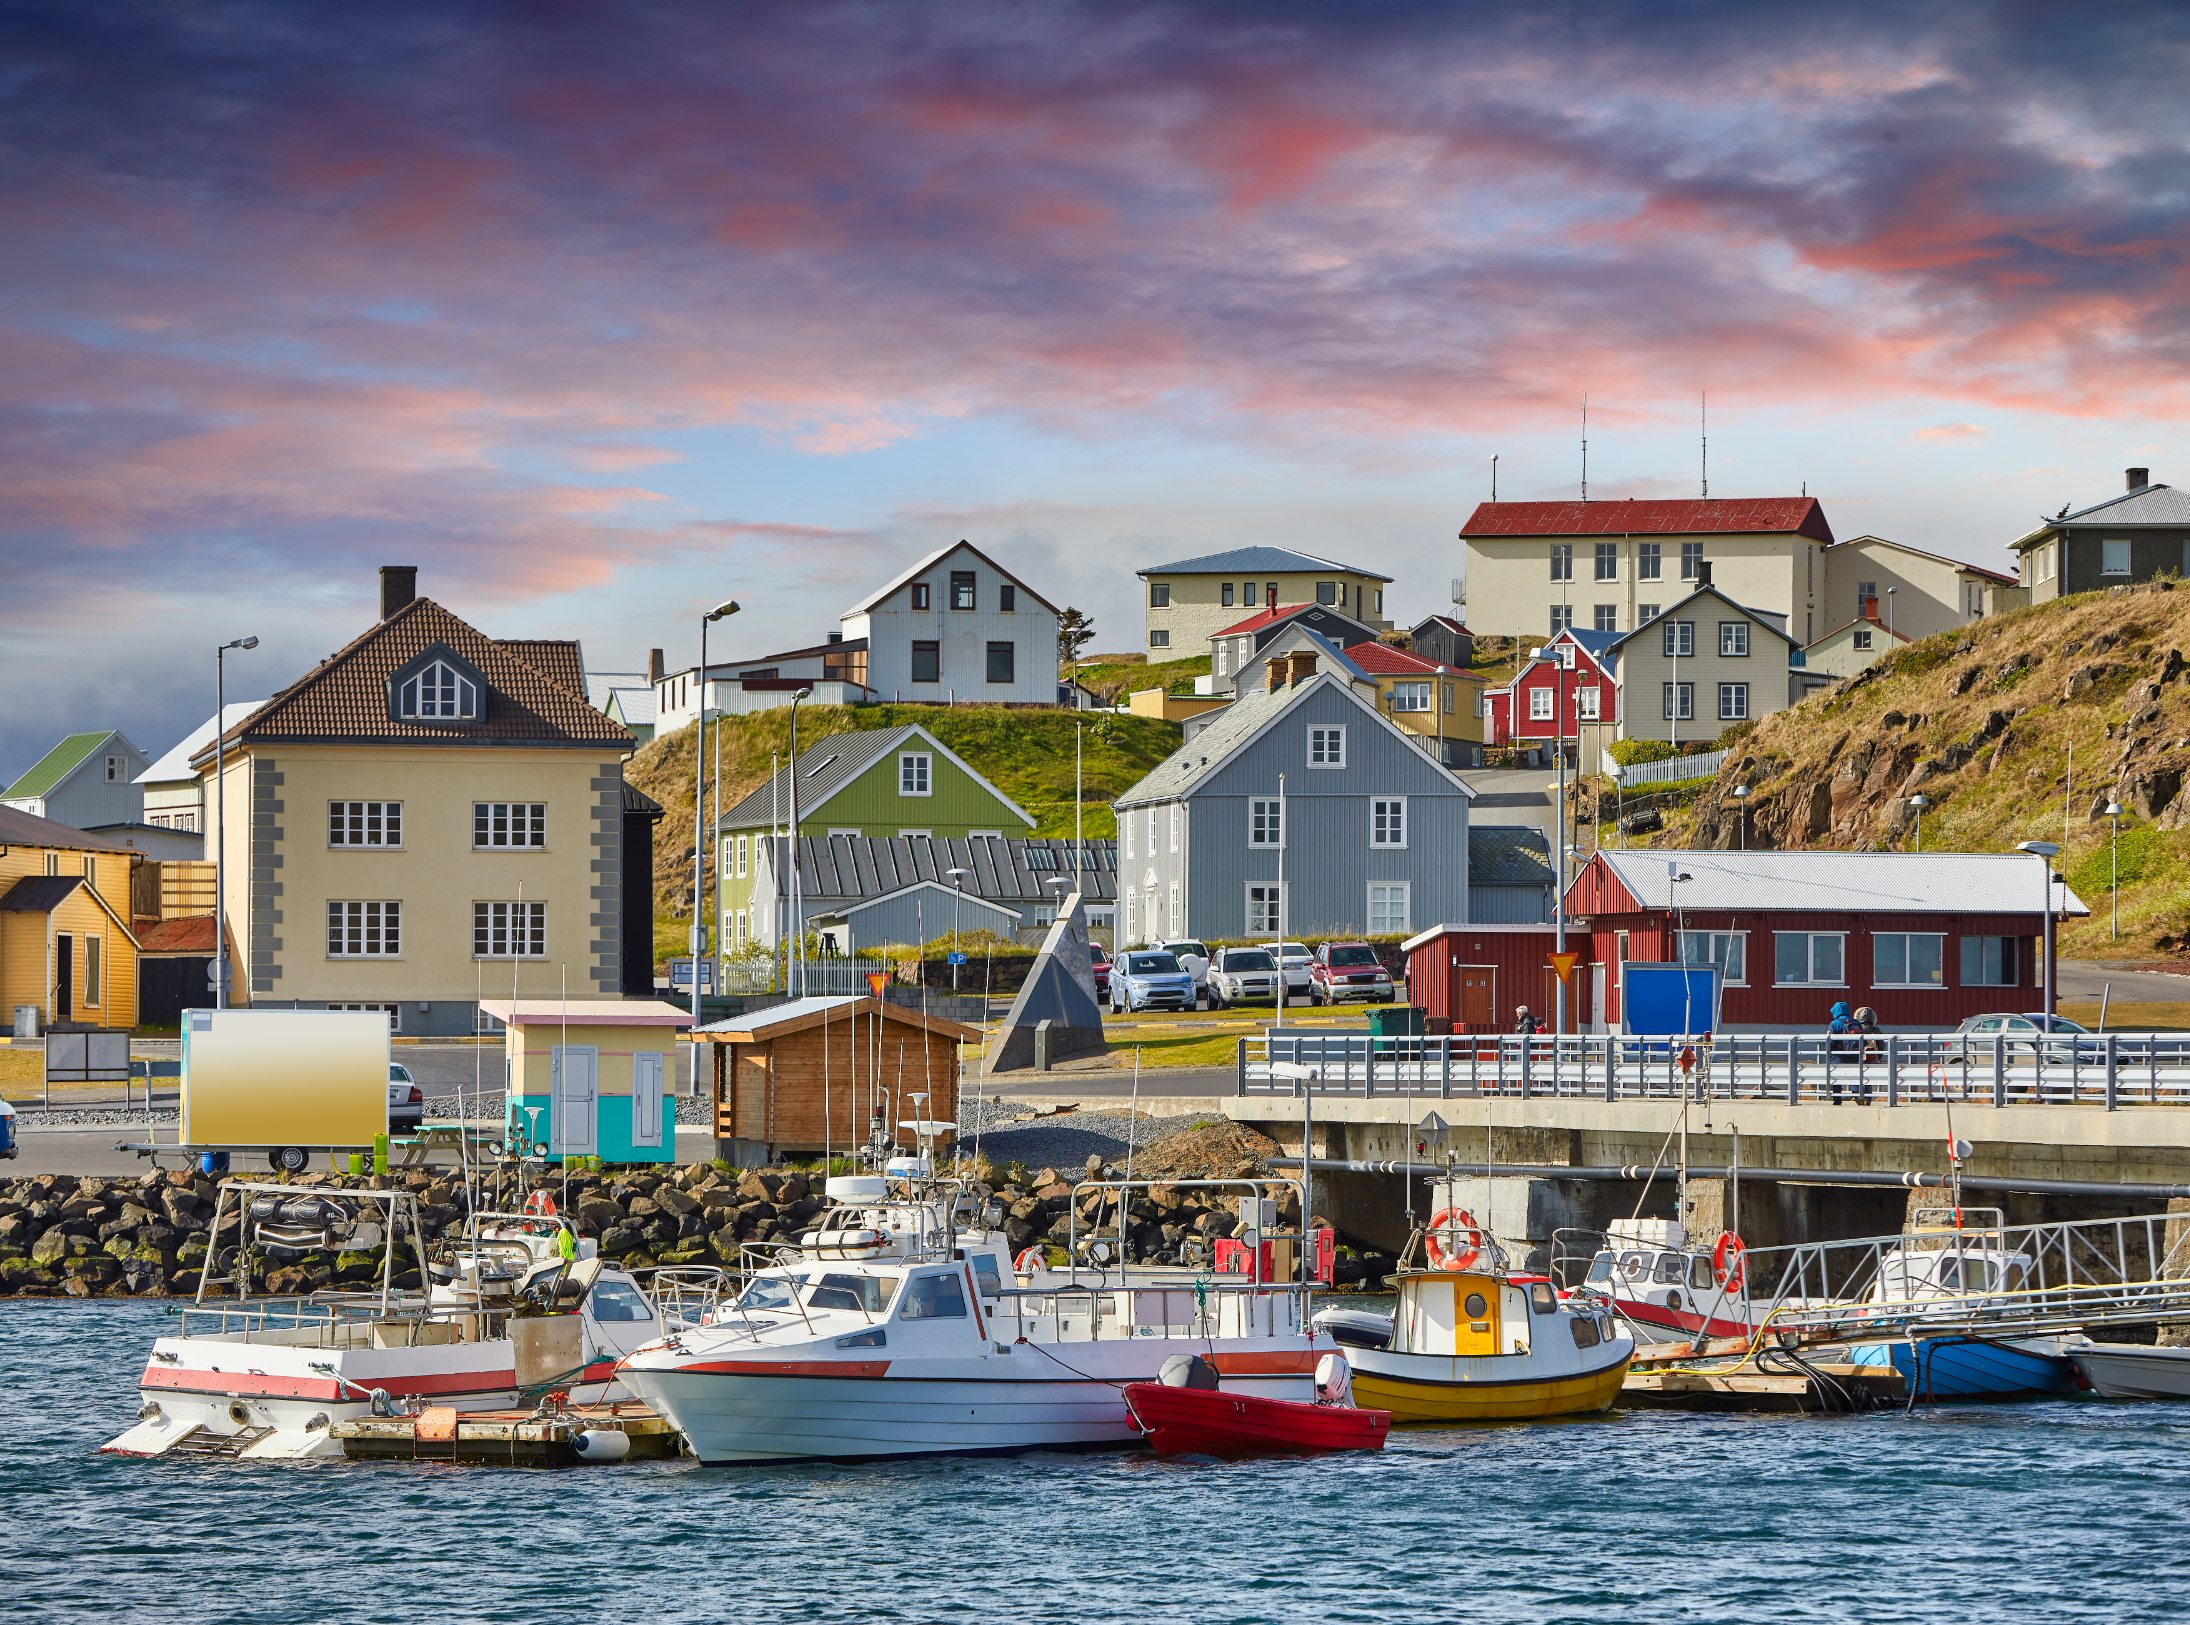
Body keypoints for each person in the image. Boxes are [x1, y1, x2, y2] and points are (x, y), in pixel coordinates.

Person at [1825, 1000, 1855, 1103]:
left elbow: (1830, 1041)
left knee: (1836, 1079)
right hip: (1855, 1056)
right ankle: (1859, 1098)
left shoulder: (1835, 1024)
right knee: (1855, 1078)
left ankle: (1837, 1100)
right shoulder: (1856, 1022)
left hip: (1838, 1057)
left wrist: (1829, 1054)